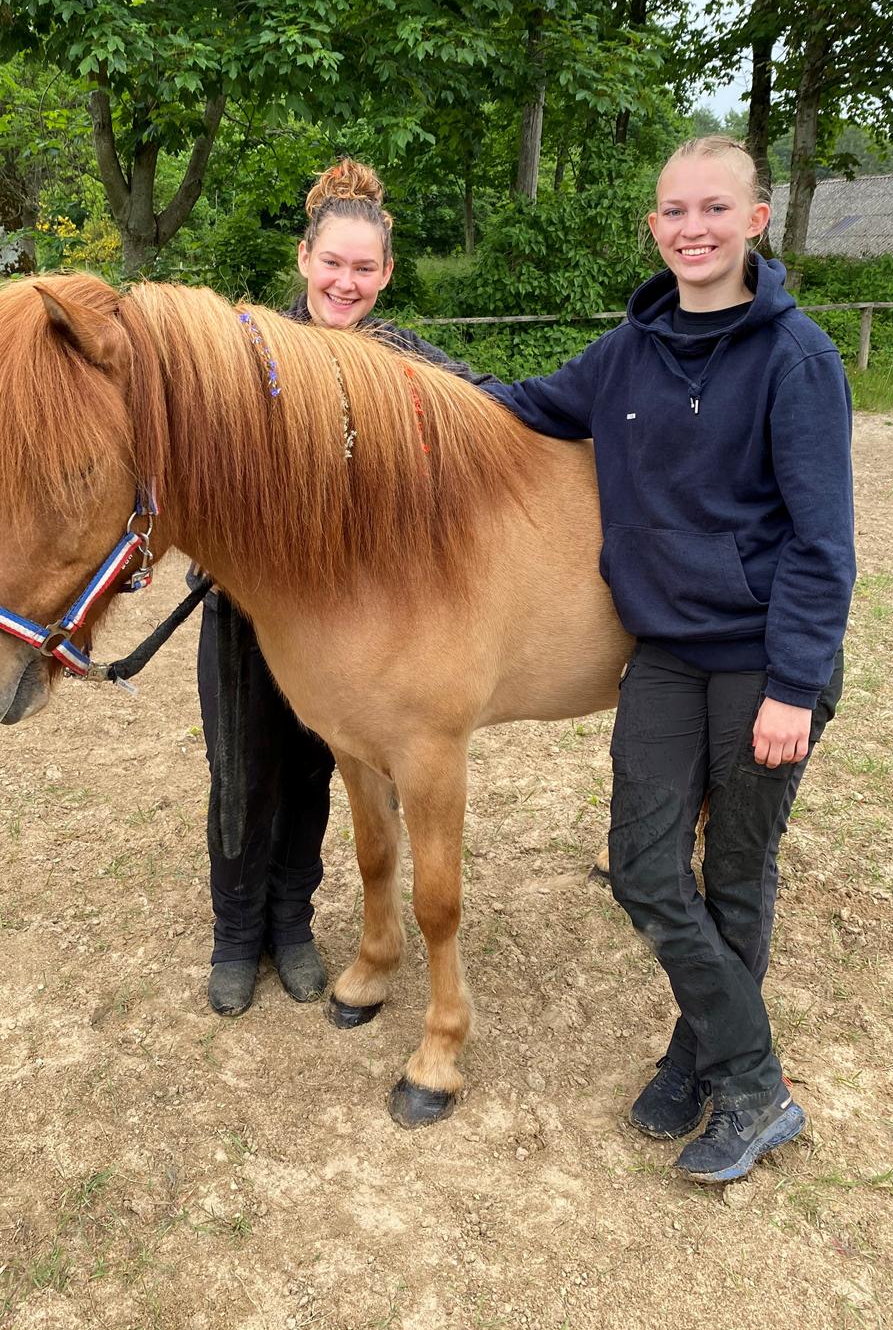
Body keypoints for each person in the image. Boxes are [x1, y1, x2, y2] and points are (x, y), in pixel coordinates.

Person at [481, 135, 855, 1183]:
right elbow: (519, 402)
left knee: (734, 875)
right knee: (647, 870)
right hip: (666, 656)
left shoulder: (798, 358)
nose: (691, 228)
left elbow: (826, 547)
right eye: (673, 211)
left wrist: (791, 686)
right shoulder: (627, 353)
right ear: (654, 228)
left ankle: (730, 1078)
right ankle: (741, 1064)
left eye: (712, 209)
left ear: (754, 221)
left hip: (762, 665)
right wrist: (394, 365)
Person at [197, 159, 491, 1018]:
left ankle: (291, 924)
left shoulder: (401, 359)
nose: (346, 282)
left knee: (319, 773)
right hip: (247, 612)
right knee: (241, 773)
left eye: (365, 269)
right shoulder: (246, 353)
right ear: (304, 258)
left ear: (386, 274)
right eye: (333, 264)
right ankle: (234, 931)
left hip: (346, 625)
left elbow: (483, 404)